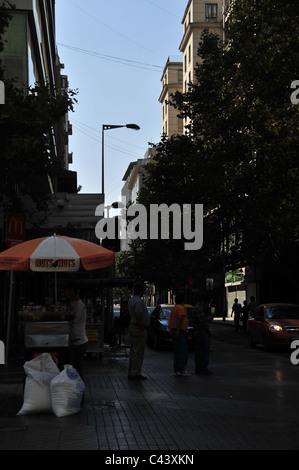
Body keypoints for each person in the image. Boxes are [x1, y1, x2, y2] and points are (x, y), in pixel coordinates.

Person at [65, 282, 88, 381]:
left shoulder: (79, 304)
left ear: (73, 292)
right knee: (73, 367)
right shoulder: (70, 303)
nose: (66, 293)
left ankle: (79, 390)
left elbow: (73, 320)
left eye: (68, 291)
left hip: (79, 341)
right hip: (73, 340)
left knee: (77, 368)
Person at [127, 283, 150, 380]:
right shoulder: (139, 302)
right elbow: (139, 315)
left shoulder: (131, 300)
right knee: (138, 351)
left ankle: (132, 371)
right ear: (141, 292)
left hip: (133, 326)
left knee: (134, 350)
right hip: (138, 327)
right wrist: (141, 327)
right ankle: (135, 373)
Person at [191, 297, 214, 376]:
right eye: (207, 303)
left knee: (198, 351)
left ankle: (198, 368)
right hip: (202, 331)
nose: (207, 305)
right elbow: (201, 319)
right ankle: (203, 368)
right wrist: (209, 318)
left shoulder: (194, 308)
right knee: (204, 351)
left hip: (197, 331)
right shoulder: (199, 308)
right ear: (203, 301)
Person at [168, 293, 190, 377]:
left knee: (177, 351)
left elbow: (170, 321)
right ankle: (181, 369)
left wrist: (171, 330)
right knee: (183, 351)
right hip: (180, 331)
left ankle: (177, 369)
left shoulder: (174, 309)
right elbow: (180, 318)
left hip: (174, 330)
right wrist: (178, 330)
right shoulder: (180, 308)